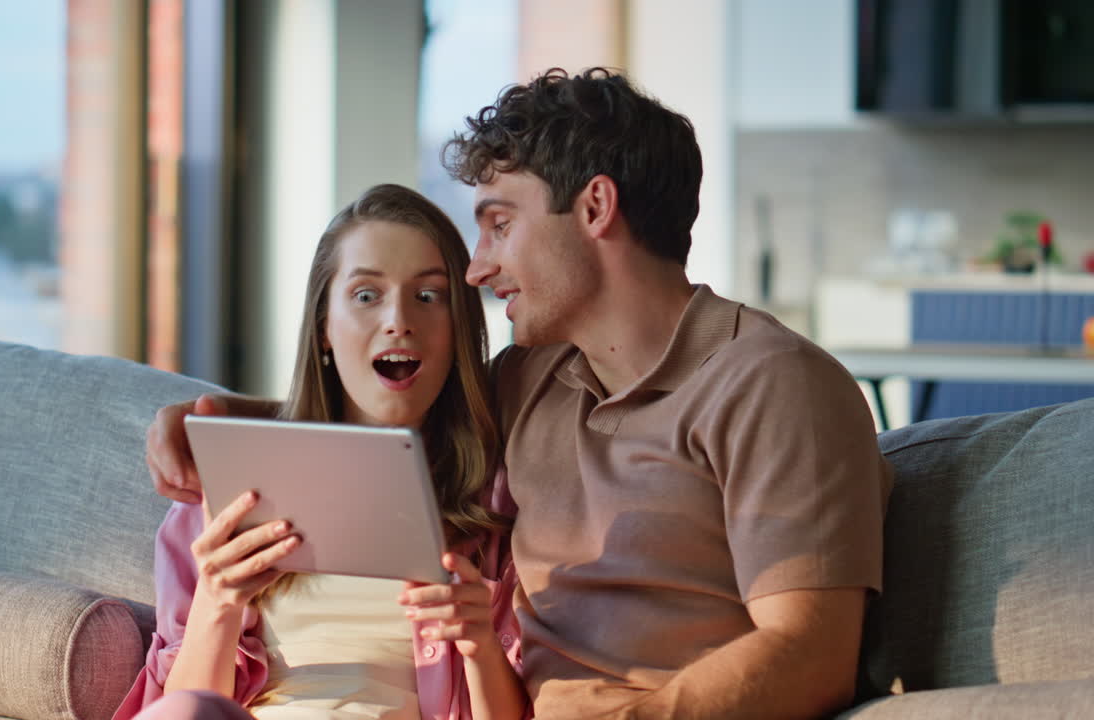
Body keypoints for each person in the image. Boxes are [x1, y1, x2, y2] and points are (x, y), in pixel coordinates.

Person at [148, 69, 891, 719]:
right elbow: (388, 411)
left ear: (595, 208)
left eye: (500, 225)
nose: (477, 268)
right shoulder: (531, 383)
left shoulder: (773, 386)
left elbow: (812, 656)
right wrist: (206, 423)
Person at [116, 184, 528, 720]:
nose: (398, 320)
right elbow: (182, 709)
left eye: (428, 296)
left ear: (459, 330)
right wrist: (218, 603)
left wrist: (479, 645)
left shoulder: (497, 502)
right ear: (324, 328)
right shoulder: (225, 484)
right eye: (366, 295)